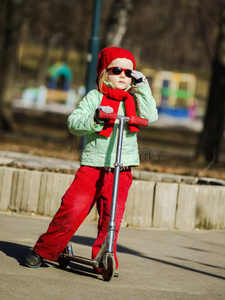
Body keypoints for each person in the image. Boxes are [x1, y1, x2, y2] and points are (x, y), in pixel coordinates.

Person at [25, 47, 158, 276]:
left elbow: (151, 115)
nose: (123, 76)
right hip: (93, 167)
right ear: (104, 73)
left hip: (121, 170)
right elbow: (74, 123)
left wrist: (143, 84)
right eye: (117, 70)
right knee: (72, 209)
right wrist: (95, 117)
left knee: (111, 219)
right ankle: (45, 250)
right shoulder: (95, 97)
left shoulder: (134, 99)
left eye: (129, 72)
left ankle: (104, 256)